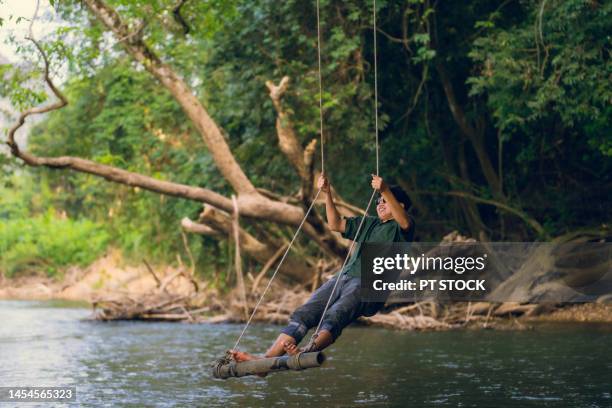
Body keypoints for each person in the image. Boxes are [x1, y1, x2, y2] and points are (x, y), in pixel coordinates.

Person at [231, 173, 415, 363]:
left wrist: (384, 189)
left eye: (386, 201)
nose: (380, 204)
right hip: (343, 277)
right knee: (305, 313)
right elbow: (335, 224)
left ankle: (306, 351)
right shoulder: (369, 223)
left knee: (336, 315)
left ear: (400, 206)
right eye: (379, 200)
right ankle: (265, 361)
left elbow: (405, 222)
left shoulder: (403, 228)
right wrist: (327, 194)